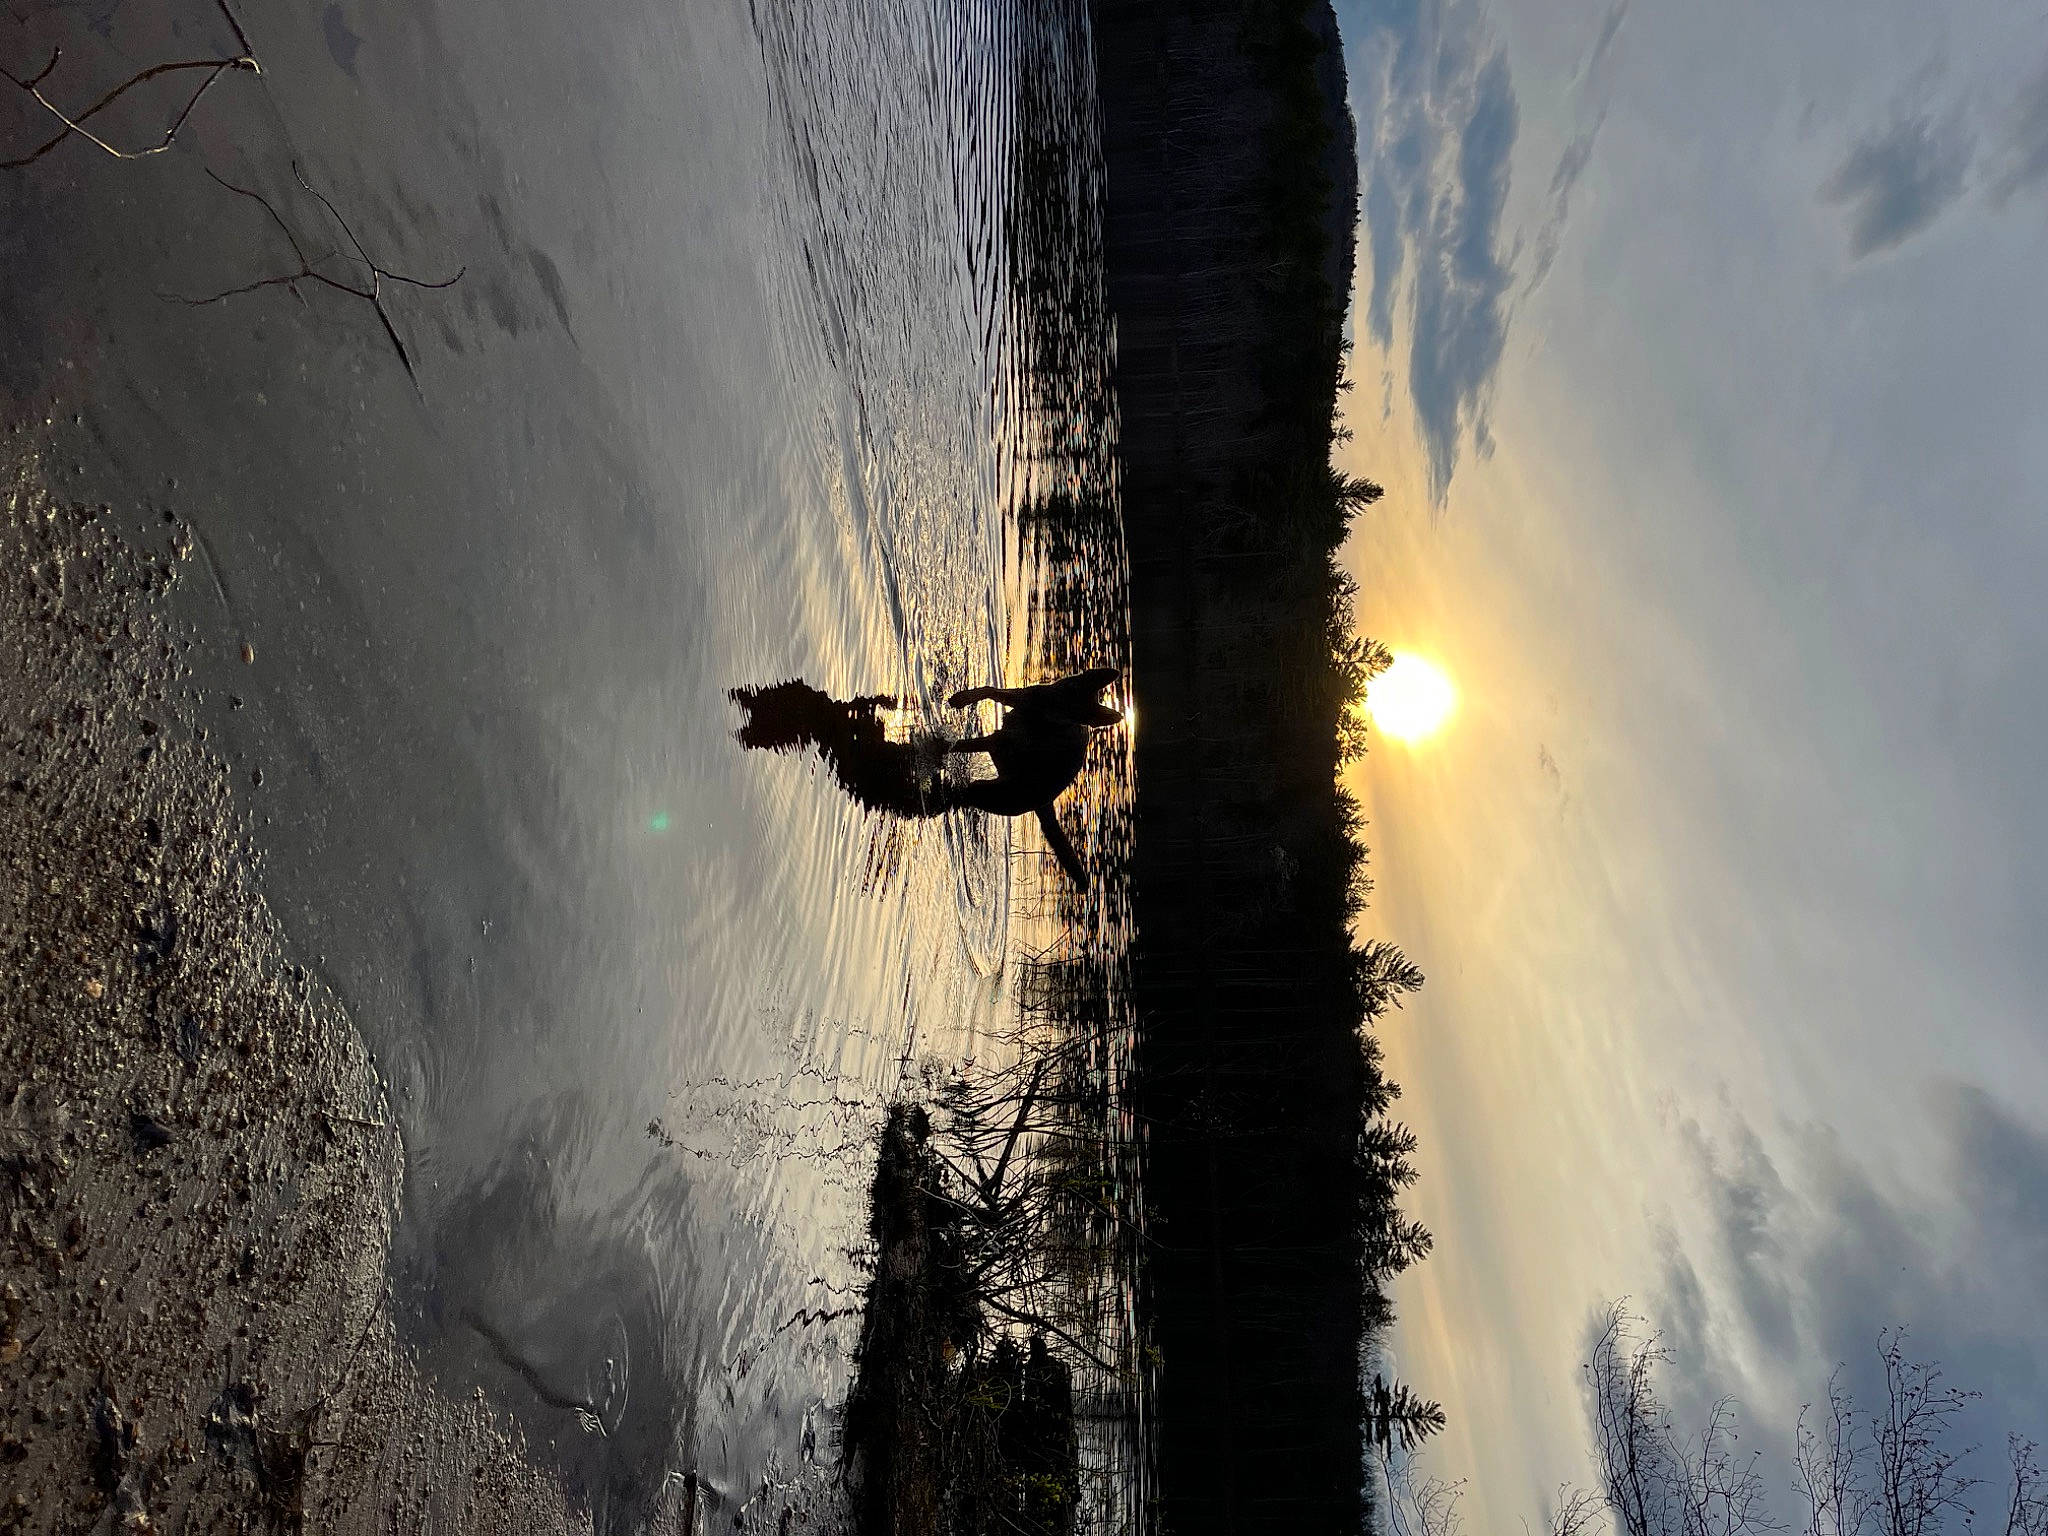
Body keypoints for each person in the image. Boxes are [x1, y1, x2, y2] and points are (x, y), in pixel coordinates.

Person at [942, 667, 1122, 890]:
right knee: (963, 784)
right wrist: (979, 694)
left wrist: (945, 747)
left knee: (957, 795)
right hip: (1034, 770)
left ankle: (931, 796)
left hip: (1021, 794)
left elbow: (995, 742)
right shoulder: (1051, 697)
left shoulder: (1063, 729)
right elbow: (1002, 700)